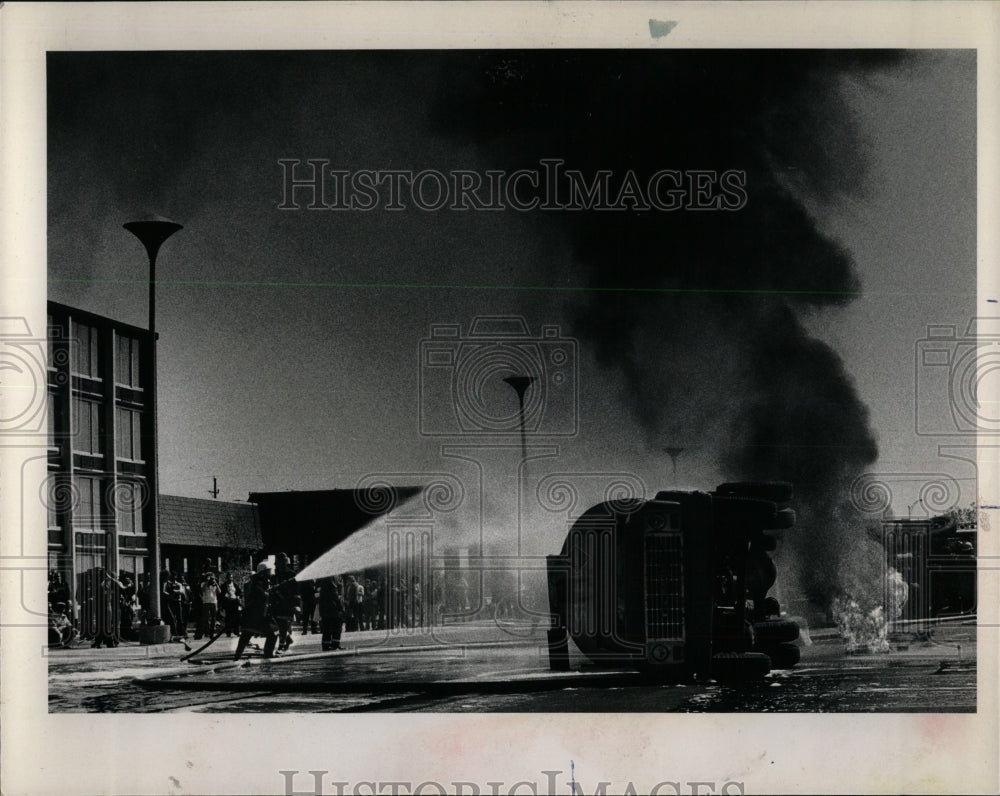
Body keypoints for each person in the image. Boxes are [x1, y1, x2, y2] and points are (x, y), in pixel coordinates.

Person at [234, 561, 278, 660]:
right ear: (263, 572)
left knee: (272, 633)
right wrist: (269, 593)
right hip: (255, 614)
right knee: (247, 634)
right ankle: (238, 656)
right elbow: (262, 596)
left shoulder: (265, 582)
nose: (270, 573)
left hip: (262, 614)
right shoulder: (256, 583)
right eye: (268, 571)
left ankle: (268, 654)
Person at [269, 553, 299, 652]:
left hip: (288, 603)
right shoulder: (274, 576)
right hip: (276, 604)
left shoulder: (292, 575)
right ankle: (288, 639)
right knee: (278, 625)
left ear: (285, 563)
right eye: (278, 563)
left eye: (281, 563)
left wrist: (296, 604)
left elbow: (296, 591)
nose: (279, 565)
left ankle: (281, 646)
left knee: (283, 624)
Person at [91, 569, 122, 648]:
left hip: (106, 606)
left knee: (106, 625)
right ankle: (103, 642)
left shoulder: (106, 585)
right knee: (102, 625)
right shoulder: (101, 585)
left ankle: (106, 642)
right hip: (102, 607)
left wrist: (111, 578)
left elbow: (120, 587)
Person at [318, 576, 345, 651]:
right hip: (332, 608)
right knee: (336, 626)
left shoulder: (328, 577)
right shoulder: (331, 577)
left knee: (328, 627)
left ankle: (328, 645)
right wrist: (340, 606)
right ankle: (335, 645)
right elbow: (334, 593)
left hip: (327, 608)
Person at [163, 572, 188, 642]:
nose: (174, 578)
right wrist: (171, 594)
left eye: (175, 576)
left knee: (179, 618)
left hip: (178, 602)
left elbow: (182, 591)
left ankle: (182, 633)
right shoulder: (169, 584)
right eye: (172, 577)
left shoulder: (178, 584)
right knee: (172, 618)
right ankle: (174, 634)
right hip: (172, 602)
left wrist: (175, 591)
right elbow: (165, 591)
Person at [195, 572, 220, 639]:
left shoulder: (214, 584)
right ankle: (205, 632)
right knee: (205, 618)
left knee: (213, 618)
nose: (211, 579)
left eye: (212, 578)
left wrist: (216, 583)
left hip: (213, 602)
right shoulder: (203, 583)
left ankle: (212, 633)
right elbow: (202, 590)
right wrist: (207, 582)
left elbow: (219, 592)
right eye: (210, 578)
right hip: (206, 602)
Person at [220, 572, 242, 637]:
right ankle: (228, 632)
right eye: (229, 577)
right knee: (228, 618)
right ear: (227, 578)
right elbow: (221, 595)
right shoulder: (224, 585)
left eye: (231, 577)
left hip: (234, 602)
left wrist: (238, 597)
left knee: (237, 617)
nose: (231, 579)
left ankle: (236, 631)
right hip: (228, 603)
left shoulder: (235, 585)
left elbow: (240, 593)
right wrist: (224, 599)